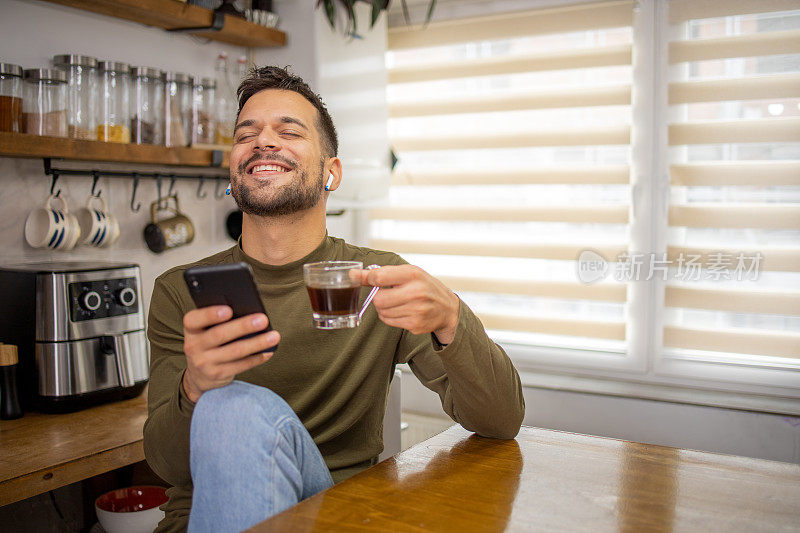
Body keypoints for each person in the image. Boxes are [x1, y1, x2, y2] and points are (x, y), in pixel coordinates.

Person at [143, 65, 525, 533]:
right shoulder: (180, 290)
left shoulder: (376, 280)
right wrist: (196, 387)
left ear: (332, 172)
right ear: (233, 169)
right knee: (229, 409)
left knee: (234, 408)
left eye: (289, 131)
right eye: (247, 134)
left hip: (336, 512)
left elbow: (501, 420)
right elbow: (166, 465)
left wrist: (451, 317)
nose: (263, 141)